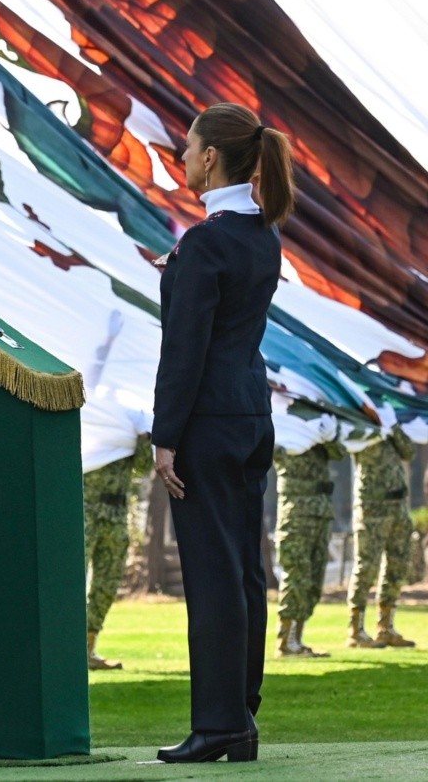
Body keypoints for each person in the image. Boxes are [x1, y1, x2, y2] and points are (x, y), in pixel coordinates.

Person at [152, 103, 295, 765]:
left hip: (205, 423)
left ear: (211, 157)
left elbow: (186, 348)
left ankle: (217, 724)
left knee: (212, 575)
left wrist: (164, 435)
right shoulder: (262, 236)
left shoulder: (205, 242)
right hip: (249, 416)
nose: (182, 156)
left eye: (188, 147)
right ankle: (241, 714)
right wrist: (178, 269)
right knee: (243, 571)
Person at [274, 423, 346, 658]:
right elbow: (273, 451)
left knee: (314, 579)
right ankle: (286, 641)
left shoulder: (317, 430)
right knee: (297, 575)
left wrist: (324, 433)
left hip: (322, 512)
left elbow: (340, 453)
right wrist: (299, 434)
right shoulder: (284, 427)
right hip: (296, 514)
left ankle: (299, 639)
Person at [85, 429, 153, 670]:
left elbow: (144, 467)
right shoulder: (95, 418)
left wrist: (144, 440)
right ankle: (64, 647)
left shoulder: (126, 422)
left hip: (116, 516)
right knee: (71, 583)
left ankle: (88, 647)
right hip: (86, 512)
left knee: (107, 584)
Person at [347, 422, 417, 648]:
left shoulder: (392, 425)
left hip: (398, 507)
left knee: (397, 567)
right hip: (371, 509)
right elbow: (345, 443)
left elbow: (409, 452)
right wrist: (374, 426)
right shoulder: (358, 426)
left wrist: (392, 428)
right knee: (366, 567)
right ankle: (356, 631)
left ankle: (385, 627)